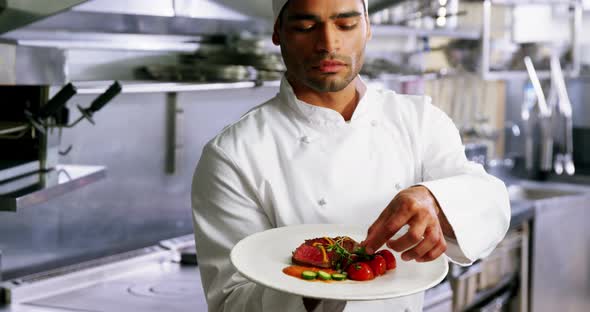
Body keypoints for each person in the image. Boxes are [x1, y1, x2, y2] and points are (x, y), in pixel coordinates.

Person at [191, 0, 510, 311]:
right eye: (306, 26)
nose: (328, 44)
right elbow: (230, 302)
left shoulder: (418, 119)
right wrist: (315, 286)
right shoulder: (233, 154)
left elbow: (490, 200)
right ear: (278, 32)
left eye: (346, 24)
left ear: (368, 27)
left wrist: (436, 201)